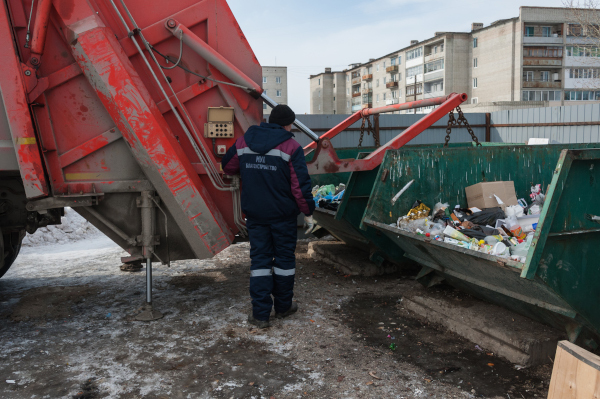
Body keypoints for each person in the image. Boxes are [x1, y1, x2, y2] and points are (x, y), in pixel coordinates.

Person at [221, 104, 315, 329]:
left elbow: (228, 167)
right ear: (288, 124)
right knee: (284, 261)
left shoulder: (245, 141)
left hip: (255, 215)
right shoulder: (292, 147)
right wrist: (309, 212)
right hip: (283, 216)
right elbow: (299, 187)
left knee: (260, 261)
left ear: (269, 120)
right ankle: (283, 308)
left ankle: (260, 315)